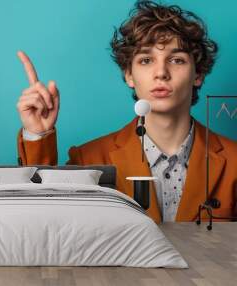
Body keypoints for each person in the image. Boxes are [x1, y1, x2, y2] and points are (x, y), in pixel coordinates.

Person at [15, 1, 237, 223]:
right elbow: (45, 224)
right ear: (129, 75)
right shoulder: (89, 159)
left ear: (198, 74)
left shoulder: (234, 161)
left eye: (176, 60)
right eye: (146, 60)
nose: (161, 72)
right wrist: (38, 135)